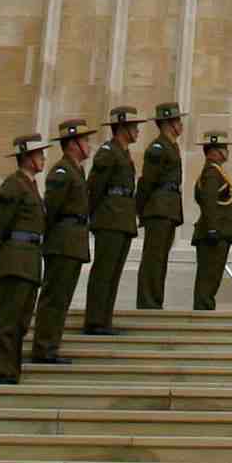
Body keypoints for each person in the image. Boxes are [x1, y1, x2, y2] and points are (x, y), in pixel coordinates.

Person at [0, 134, 50, 384]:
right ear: (27, 157)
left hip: (29, 262)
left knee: (20, 322)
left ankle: (11, 370)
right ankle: (0, 372)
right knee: (6, 321)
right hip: (14, 261)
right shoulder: (14, 185)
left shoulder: (30, 186)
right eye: (39, 154)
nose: (43, 158)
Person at [34, 118, 93, 363]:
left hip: (73, 241)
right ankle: (44, 348)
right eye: (85, 140)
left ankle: (50, 346)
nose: (89, 145)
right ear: (72, 144)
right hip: (62, 242)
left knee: (63, 297)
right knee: (54, 298)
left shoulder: (76, 170)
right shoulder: (62, 171)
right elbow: (51, 210)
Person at [83, 106, 142, 335]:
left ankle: (104, 319)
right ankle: (94, 320)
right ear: (122, 128)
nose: (137, 131)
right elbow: (95, 187)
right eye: (134, 126)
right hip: (109, 219)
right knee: (104, 271)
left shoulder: (123, 153)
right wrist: (96, 216)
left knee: (114, 273)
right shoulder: (108, 152)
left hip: (122, 219)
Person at [137, 104, 189, 310]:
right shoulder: (158, 148)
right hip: (158, 208)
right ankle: (148, 302)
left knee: (161, 259)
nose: (181, 125)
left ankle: (155, 300)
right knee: (154, 258)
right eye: (177, 121)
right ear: (168, 124)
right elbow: (147, 181)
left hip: (168, 209)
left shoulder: (171, 146)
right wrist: (141, 209)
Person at [191, 130, 232, 308]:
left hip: (219, 232)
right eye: (224, 148)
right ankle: (202, 312)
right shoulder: (212, 173)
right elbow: (209, 202)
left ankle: (204, 309)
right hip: (214, 233)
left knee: (212, 278)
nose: (226, 151)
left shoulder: (216, 172)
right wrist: (212, 228)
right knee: (208, 278)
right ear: (214, 151)